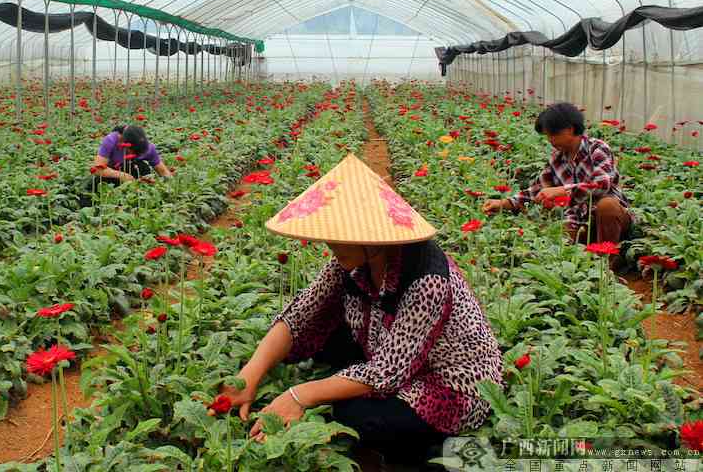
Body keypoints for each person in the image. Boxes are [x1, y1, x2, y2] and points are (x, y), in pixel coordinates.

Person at [217, 154, 503, 468]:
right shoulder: (350, 259)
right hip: (388, 349)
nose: (329, 243)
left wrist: (300, 395)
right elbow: (299, 314)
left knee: (354, 417)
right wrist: (247, 377)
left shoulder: (427, 278)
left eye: (338, 235)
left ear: (370, 236)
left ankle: (425, 455)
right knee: (320, 341)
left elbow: (387, 372)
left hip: (451, 383)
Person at [482, 102, 632, 271]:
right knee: (557, 241)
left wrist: (562, 190)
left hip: (610, 221)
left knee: (607, 205)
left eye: (553, 134)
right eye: (547, 136)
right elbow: (537, 190)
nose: (550, 140)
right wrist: (503, 203)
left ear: (569, 129)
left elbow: (602, 184)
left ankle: (607, 264)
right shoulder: (557, 159)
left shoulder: (597, 149)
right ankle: (584, 268)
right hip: (578, 221)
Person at [90, 125, 172, 185]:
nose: (133, 155)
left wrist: (170, 186)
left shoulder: (149, 148)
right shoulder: (111, 140)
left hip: (135, 174)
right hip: (113, 173)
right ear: (123, 142)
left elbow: (163, 171)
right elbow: (98, 169)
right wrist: (122, 175)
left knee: (144, 168)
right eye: (132, 152)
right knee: (96, 182)